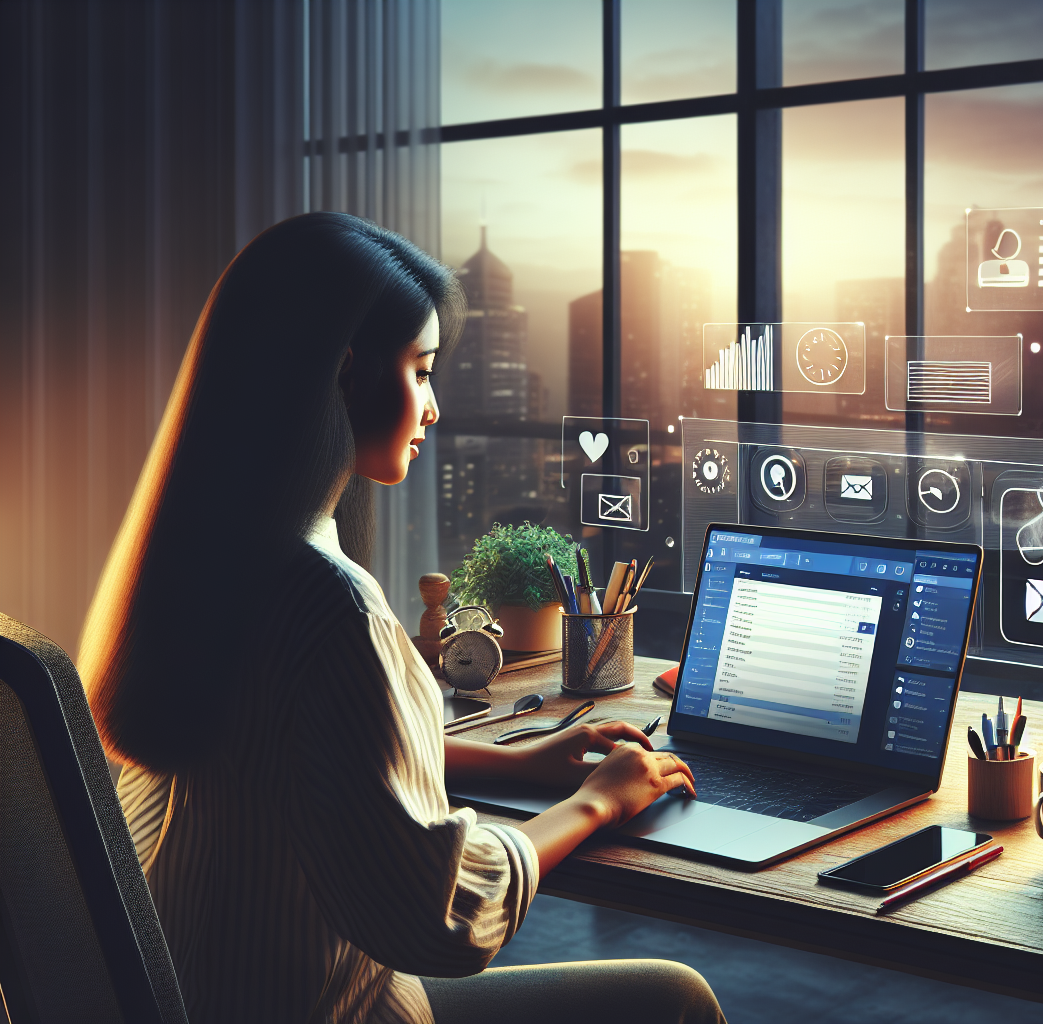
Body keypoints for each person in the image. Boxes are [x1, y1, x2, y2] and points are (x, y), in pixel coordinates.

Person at [78, 212, 722, 1024]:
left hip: (191, 992)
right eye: (421, 371)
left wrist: (520, 765)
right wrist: (602, 800)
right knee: (675, 1001)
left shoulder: (199, 557)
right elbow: (440, 917)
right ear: (345, 376)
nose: (434, 408)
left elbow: (309, 757)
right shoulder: (331, 605)